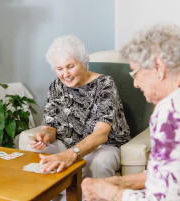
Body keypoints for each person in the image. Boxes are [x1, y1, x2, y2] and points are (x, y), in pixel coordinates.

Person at [81, 24, 180, 201]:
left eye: (135, 73)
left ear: (158, 67)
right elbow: (174, 168)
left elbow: (160, 198)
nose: (135, 84)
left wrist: (109, 193)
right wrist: (123, 182)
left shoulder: (171, 110)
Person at [28, 35, 130, 178]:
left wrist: (72, 154)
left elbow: (101, 133)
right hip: (67, 143)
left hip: (104, 146)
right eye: (59, 68)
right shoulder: (56, 86)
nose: (66, 74)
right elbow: (50, 126)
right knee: (38, 155)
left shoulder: (104, 84)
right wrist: (44, 135)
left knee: (98, 162)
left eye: (71, 66)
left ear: (83, 63)